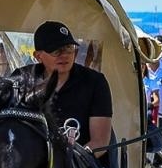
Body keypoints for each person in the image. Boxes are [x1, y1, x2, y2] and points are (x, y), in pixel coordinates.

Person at [21, 20, 112, 157]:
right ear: (38, 56)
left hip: (81, 161)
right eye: (56, 51)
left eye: (69, 48)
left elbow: (100, 141)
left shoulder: (95, 82)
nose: (65, 55)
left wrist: (66, 162)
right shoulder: (21, 80)